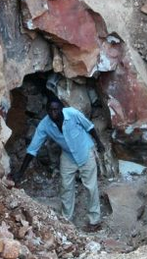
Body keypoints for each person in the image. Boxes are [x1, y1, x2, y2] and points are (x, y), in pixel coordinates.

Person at [12, 98, 105, 232]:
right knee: (66, 187)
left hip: (85, 151)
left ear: (62, 109)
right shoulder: (45, 125)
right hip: (68, 156)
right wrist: (21, 172)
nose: (53, 112)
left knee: (91, 187)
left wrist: (99, 143)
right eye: (50, 110)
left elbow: (89, 127)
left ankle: (94, 221)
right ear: (47, 111)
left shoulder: (73, 114)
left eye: (56, 109)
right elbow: (33, 149)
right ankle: (66, 220)